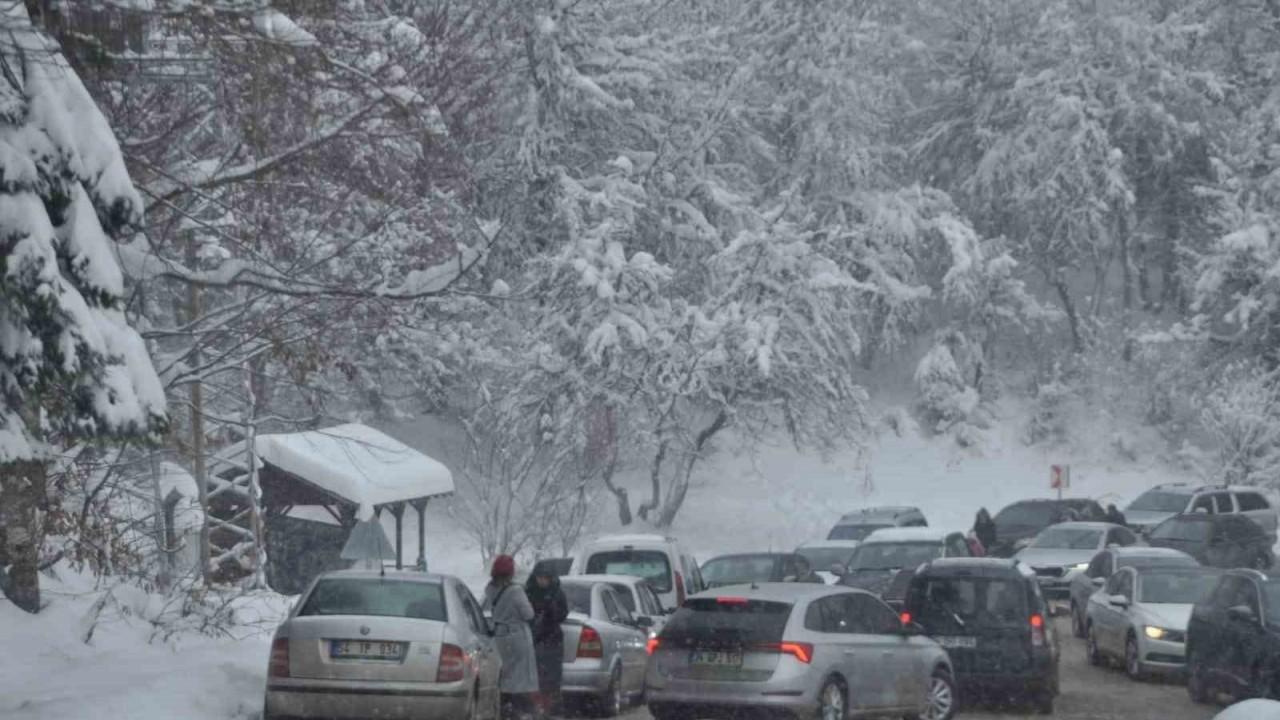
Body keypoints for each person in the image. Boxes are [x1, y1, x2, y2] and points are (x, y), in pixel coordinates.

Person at [484, 555, 538, 720]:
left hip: (500, 636)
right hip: (516, 636)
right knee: (521, 676)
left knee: (506, 673)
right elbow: (528, 614)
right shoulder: (516, 590)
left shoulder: (490, 589)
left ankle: (504, 706)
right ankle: (519, 710)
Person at [525, 567, 569, 717]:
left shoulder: (557, 593)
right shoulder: (529, 592)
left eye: (545, 578)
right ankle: (537, 707)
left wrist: (551, 609)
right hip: (534, 640)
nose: (542, 581)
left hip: (551, 640)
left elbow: (562, 614)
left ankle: (548, 709)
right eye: (539, 577)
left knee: (551, 680)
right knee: (534, 678)